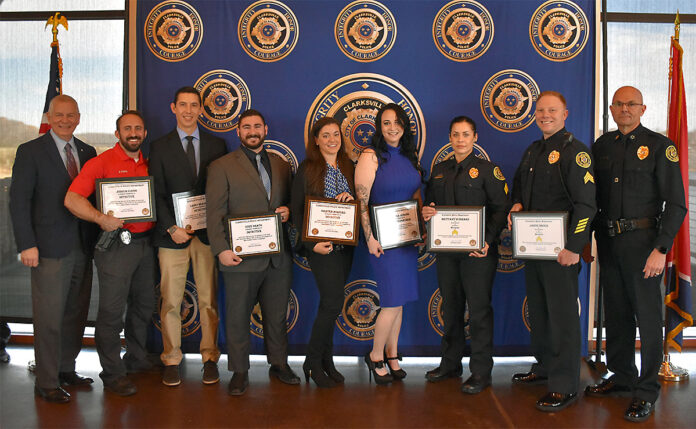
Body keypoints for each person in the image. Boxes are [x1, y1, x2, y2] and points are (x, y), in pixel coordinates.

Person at [586, 86, 687, 423]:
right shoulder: (602, 147)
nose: (625, 109)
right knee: (616, 314)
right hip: (610, 242)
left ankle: (645, 391)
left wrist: (661, 249)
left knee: (646, 317)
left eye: (631, 104)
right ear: (612, 109)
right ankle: (622, 376)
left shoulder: (661, 147)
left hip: (645, 245)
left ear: (643, 108)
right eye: (619, 104)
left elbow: (676, 204)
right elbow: (591, 200)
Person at [508, 91, 596, 411]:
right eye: (541, 110)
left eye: (552, 110)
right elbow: (519, 186)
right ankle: (545, 367)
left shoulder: (575, 152)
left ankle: (564, 384)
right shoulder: (533, 151)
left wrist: (574, 247)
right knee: (542, 314)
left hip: (562, 252)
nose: (545, 115)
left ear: (565, 113)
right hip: (534, 249)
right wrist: (516, 203)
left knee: (562, 319)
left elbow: (587, 205)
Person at [9, 94, 98, 403]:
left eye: (70, 115)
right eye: (59, 115)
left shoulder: (87, 151)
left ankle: (65, 370)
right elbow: (19, 203)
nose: (65, 120)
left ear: (78, 117)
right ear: (49, 116)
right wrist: (27, 245)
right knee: (48, 317)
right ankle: (46, 381)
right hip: (47, 249)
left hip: (83, 248)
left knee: (75, 314)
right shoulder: (30, 151)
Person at [206, 109, 299, 396]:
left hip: (276, 257)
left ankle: (279, 364)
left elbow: (290, 204)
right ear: (238, 131)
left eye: (257, 126)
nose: (252, 131)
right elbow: (214, 213)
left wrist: (287, 212)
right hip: (238, 256)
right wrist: (220, 249)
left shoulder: (282, 164)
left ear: (266, 129)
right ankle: (239, 371)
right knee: (236, 315)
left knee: (276, 315)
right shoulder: (221, 166)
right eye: (246, 127)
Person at [64, 110, 156, 396]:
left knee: (143, 306)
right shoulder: (100, 162)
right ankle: (113, 373)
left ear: (144, 133)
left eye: (138, 128)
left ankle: (136, 359)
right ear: (117, 134)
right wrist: (99, 218)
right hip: (115, 245)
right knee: (112, 313)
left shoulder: (150, 163)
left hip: (145, 244)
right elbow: (71, 199)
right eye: (127, 128)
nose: (133, 133)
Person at [422, 116, 510, 394]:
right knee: (451, 308)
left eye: (466, 134)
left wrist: (487, 239)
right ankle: (450, 364)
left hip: (478, 253)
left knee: (480, 311)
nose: (460, 139)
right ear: (449, 137)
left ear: (475, 137)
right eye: (455, 134)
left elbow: (501, 208)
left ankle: (481, 371)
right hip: (447, 253)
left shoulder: (488, 170)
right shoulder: (438, 170)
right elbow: (430, 207)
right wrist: (427, 213)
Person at [148, 86, 227, 387]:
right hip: (172, 237)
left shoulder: (217, 145)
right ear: (173, 108)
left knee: (208, 300)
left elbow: (220, 194)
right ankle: (171, 358)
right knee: (170, 300)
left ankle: (209, 358)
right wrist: (171, 227)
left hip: (207, 237)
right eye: (183, 105)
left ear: (201, 110)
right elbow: (154, 192)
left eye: (194, 105)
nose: (189, 111)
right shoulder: (159, 146)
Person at [355, 103, 423, 384]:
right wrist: (369, 237)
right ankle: (375, 355)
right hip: (382, 239)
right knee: (392, 301)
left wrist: (421, 229)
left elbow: (415, 195)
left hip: (406, 239)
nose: (392, 127)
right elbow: (362, 201)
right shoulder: (371, 156)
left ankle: (393, 354)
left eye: (396, 122)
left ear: (404, 126)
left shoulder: (409, 156)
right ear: (379, 127)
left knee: (401, 299)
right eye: (385, 122)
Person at [290, 117, 356, 388]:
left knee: (332, 305)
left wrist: (353, 200)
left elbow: (362, 201)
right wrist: (309, 244)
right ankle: (312, 362)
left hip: (345, 247)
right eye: (326, 135)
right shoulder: (307, 168)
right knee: (331, 303)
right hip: (320, 248)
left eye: (336, 134)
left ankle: (326, 361)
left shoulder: (349, 167)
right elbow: (295, 211)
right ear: (316, 140)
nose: (332, 139)